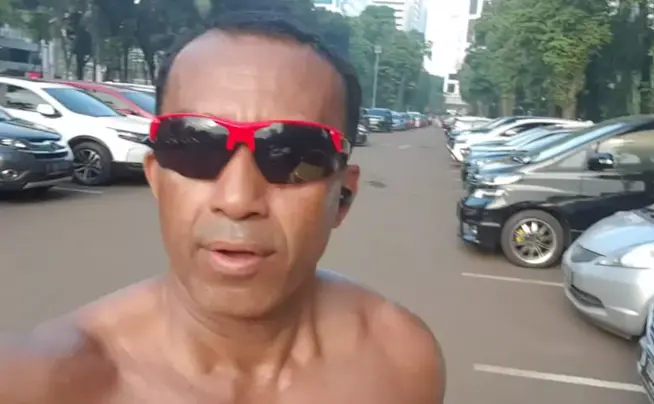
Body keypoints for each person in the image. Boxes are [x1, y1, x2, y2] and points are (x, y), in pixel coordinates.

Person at [0, 10, 445, 404]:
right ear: (157, 178)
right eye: (196, 145)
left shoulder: (400, 361)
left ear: (342, 196)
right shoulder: (45, 383)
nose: (237, 200)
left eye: (291, 154)